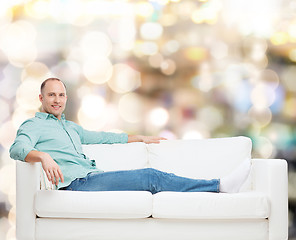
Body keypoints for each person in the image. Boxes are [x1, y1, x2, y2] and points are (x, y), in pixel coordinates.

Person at [10, 78, 250, 193]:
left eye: (61, 95)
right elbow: (17, 149)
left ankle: (216, 185)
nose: (57, 100)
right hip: (75, 184)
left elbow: (104, 137)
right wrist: (43, 156)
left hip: (91, 177)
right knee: (150, 177)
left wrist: (141, 138)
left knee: (150, 177)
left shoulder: (70, 127)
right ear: (41, 99)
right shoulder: (34, 125)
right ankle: (218, 186)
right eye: (51, 95)